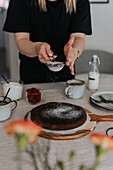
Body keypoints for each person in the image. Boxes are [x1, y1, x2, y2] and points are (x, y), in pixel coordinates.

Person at [3, 0, 92, 84]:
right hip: (32, 74)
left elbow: (78, 37)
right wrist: (37, 48)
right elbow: (21, 40)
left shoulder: (79, 1)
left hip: (65, 74)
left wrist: (74, 50)